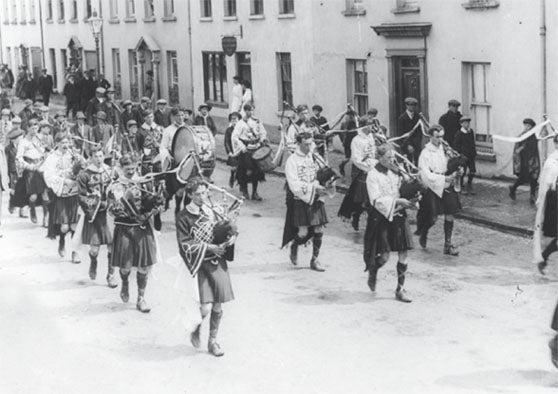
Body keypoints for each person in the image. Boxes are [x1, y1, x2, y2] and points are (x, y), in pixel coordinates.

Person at [176, 177, 236, 357]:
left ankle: (212, 341)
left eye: (204, 192)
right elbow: (184, 244)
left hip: (217, 261)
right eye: (197, 194)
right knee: (205, 308)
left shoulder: (213, 210)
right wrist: (210, 247)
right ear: (189, 195)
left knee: (218, 305)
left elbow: (227, 229)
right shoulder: (184, 216)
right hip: (200, 262)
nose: (202, 197)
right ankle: (196, 325)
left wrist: (231, 237)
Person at [107, 154, 165, 313]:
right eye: (127, 169)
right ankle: (125, 283)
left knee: (144, 266)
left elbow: (155, 203)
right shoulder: (115, 186)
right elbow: (111, 211)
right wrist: (125, 199)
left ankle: (141, 298)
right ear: (121, 169)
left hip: (143, 228)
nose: (131, 172)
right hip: (125, 228)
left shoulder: (144, 183)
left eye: (133, 168)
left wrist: (158, 205)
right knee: (125, 267)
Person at [363, 144, 415, 302]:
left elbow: (403, 188)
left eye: (393, 157)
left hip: (399, 215)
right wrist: (398, 201)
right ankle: (373, 269)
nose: (392, 160)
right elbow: (376, 200)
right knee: (384, 256)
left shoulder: (396, 171)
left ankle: (400, 289)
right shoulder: (373, 175)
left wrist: (413, 195)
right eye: (388, 158)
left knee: (403, 252)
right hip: (383, 218)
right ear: (379, 158)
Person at [282, 130, 329, 272]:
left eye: (310, 144)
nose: (309, 147)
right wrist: (312, 189)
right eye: (306, 145)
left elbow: (320, 172)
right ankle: (295, 244)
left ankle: (315, 260)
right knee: (303, 233)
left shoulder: (312, 156)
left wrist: (326, 179)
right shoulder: (292, 161)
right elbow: (294, 184)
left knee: (319, 228)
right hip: (302, 199)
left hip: (316, 198)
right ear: (299, 144)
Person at [416, 125, 461, 256]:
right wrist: (443, 178)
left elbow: (450, 164)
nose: (440, 140)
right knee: (433, 217)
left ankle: (447, 245)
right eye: (437, 137)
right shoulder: (425, 153)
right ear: (430, 137)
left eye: (442, 136)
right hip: (433, 185)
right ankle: (424, 232)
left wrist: (457, 169)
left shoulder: (444, 149)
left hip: (446, 183)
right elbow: (425, 174)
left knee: (450, 213)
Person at [77, 147, 117, 287]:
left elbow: (119, 189)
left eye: (101, 156)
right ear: (91, 157)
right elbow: (81, 196)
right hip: (94, 215)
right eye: (96, 156)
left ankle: (110, 275)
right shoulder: (84, 175)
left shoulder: (110, 171)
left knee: (112, 246)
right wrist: (96, 204)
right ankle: (93, 261)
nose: (99, 159)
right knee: (94, 249)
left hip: (109, 215)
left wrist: (111, 202)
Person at [43, 132, 84, 260]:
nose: (65, 145)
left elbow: (83, 168)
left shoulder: (74, 156)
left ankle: (75, 251)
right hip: (61, 194)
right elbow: (49, 176)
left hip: (74, 194)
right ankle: (61, 241)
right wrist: (64, 180)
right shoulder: (51, 158)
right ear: (57, 144)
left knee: (74, 226)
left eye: (67, 142)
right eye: (63, 143)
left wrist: (80, 166)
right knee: (64, 226)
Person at [338, 117, 376, 231]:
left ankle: (371, 221)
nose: (371, 127)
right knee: (361, 197)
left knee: (371, 196)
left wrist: (374, 164)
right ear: (364, 126)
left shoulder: (371, 137)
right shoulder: (356, 140)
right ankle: (356, 216)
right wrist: (367, 167)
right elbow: (356, 159)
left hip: (371, 169)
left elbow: (372, 153)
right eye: (369, 125)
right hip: (360, 171)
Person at [15, 119, 49, 225]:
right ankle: (32, 210)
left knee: (45, 193)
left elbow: (44, 151)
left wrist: (45, 155)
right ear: (28, 128)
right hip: (30, 169)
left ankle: (46, 219)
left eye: (36, 128)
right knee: (33, 195)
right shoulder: (23, 142)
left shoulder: (39, 140)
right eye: (32, 128)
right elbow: (19, 158)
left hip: (40, 167)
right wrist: (28, 166)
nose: (34, 131)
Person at [231, 104, 268, 200]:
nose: (251, 112)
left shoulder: (257, 121)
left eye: (252, 110)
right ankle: (244, 191)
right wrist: (241, 146)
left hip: (256, 148)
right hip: (246, 150)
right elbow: (234, 137)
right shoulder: (240, 123)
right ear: (245, 111)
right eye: (249, 111)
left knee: (257, 172)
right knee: (246, 172)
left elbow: (263, 132)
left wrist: (263, 139)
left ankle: (255, 192)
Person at [533, 134, 558, 276]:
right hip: (555, 199)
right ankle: (544, 258)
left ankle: (544, 258)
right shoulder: (551, 162)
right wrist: (540, 201)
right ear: (555, 144)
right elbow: (544, 184)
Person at [509, 118, 540, 204]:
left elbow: (543, 136)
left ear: (532, 127)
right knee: (523, 178)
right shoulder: (522, 136)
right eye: (525, 126)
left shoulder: (534, 135)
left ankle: (532, 197)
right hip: (525, 162)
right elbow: (518, 150)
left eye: (528, 126)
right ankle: (513, 188)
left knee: (534, 178)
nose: (526, 127)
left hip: (534, 160)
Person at [5, 126, 26, 218]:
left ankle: (22, 211)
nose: (21, 139)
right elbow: (6, 162)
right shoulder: (8, 148)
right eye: (19, 138)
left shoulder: (24, 147)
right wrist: (7, 174)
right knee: (14, 190)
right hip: (13, 172)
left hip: (23, 170)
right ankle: (12, 203)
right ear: (13, 139)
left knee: (23, 190)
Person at [453, 115, 477, 195]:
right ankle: (461, 186)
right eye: (465, 123)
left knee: (473, 171)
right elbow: (456, 146)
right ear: (461, 124)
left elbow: (472, 143)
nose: (467, 124)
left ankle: (469, 184)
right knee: (462, 172)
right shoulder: (459, 134)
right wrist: (459, 155)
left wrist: (474, 152)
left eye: (468, 123)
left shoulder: (470, 132)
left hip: (471, 155)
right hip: (463, 156)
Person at [397, 97, 422, 165]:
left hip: (416, 146)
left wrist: (417, 142)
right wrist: (408, 145)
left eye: (414, 105)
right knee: (408, 164)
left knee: (418, 163)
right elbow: (401, 134)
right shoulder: (402, 118)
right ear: (406, 105)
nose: (412, 107)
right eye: (410, 105)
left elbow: (419, 132)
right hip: (406, 146)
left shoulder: (417, 117)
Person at [338, 109, 359, 177]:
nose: (349, 117)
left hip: (354, 143)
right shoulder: (344, 124)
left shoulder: (356, 123)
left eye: (351, 116)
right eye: (348, 116)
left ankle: (353, 173)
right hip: (348, 143)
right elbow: (340, 133)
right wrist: (343, 141)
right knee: (348, 158)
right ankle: (341, 165)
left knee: (354, 157)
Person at [224, 112, 241, 188]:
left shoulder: (242, 129)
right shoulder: (229, 130)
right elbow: (226, 142)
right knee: (234, 167)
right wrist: (229, 152)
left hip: (240, 150)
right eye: (232, 120)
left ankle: (241, 184)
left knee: (241, 168)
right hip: (233, 151)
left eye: (235, 119)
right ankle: (232, 176)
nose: (234, 121)